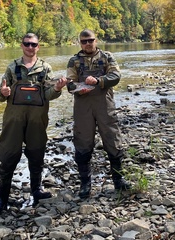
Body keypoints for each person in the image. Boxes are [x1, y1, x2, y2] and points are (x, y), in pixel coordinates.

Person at [0, 33, 67, 216]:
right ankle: (2, 199)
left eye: (33, 44)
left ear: (38, 47)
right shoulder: (12, 67)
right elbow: (0, 96)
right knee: (8, 156)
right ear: (22, 45)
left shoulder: (46, 68)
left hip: (37, 121)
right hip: (13, 121)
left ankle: (37, 191)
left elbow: (48, 94)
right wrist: (4, 92)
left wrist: (57, 88)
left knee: (36, 155)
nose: (30, 47)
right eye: (27, 44)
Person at [66, 29, 131, 199]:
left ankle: (118, 179)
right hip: (83, 106)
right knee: (82, 142)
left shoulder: (107, 57)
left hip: (104, 104)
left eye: (90, 40)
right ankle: (85, 184)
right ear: (80, 43)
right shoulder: (74, 61)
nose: (87, 44)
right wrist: (76, 88)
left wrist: (99, 81)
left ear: (96, 40)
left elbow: (116, 76)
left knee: (112, 139)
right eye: (84, 41)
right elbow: (70, 84)